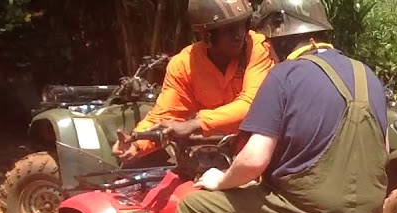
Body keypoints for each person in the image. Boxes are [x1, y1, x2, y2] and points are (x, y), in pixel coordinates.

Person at [173, 0, 390, 213]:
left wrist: (220, 181)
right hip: (368, 209)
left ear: (278, 37)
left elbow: (253, 160)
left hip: (305, 210)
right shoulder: (367, 75)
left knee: (193, 209)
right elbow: (383, 151)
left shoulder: (284, 76)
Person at [113, 0, 275, 167]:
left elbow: (254, 105)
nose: (238, 35)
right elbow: (165, 116)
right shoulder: (184, 64)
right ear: (207, 35)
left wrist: (196, 124)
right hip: (217, 158)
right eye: (228, 29)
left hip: (262, 152)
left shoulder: (257, 47)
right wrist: (137, 142)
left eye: (242, 25)